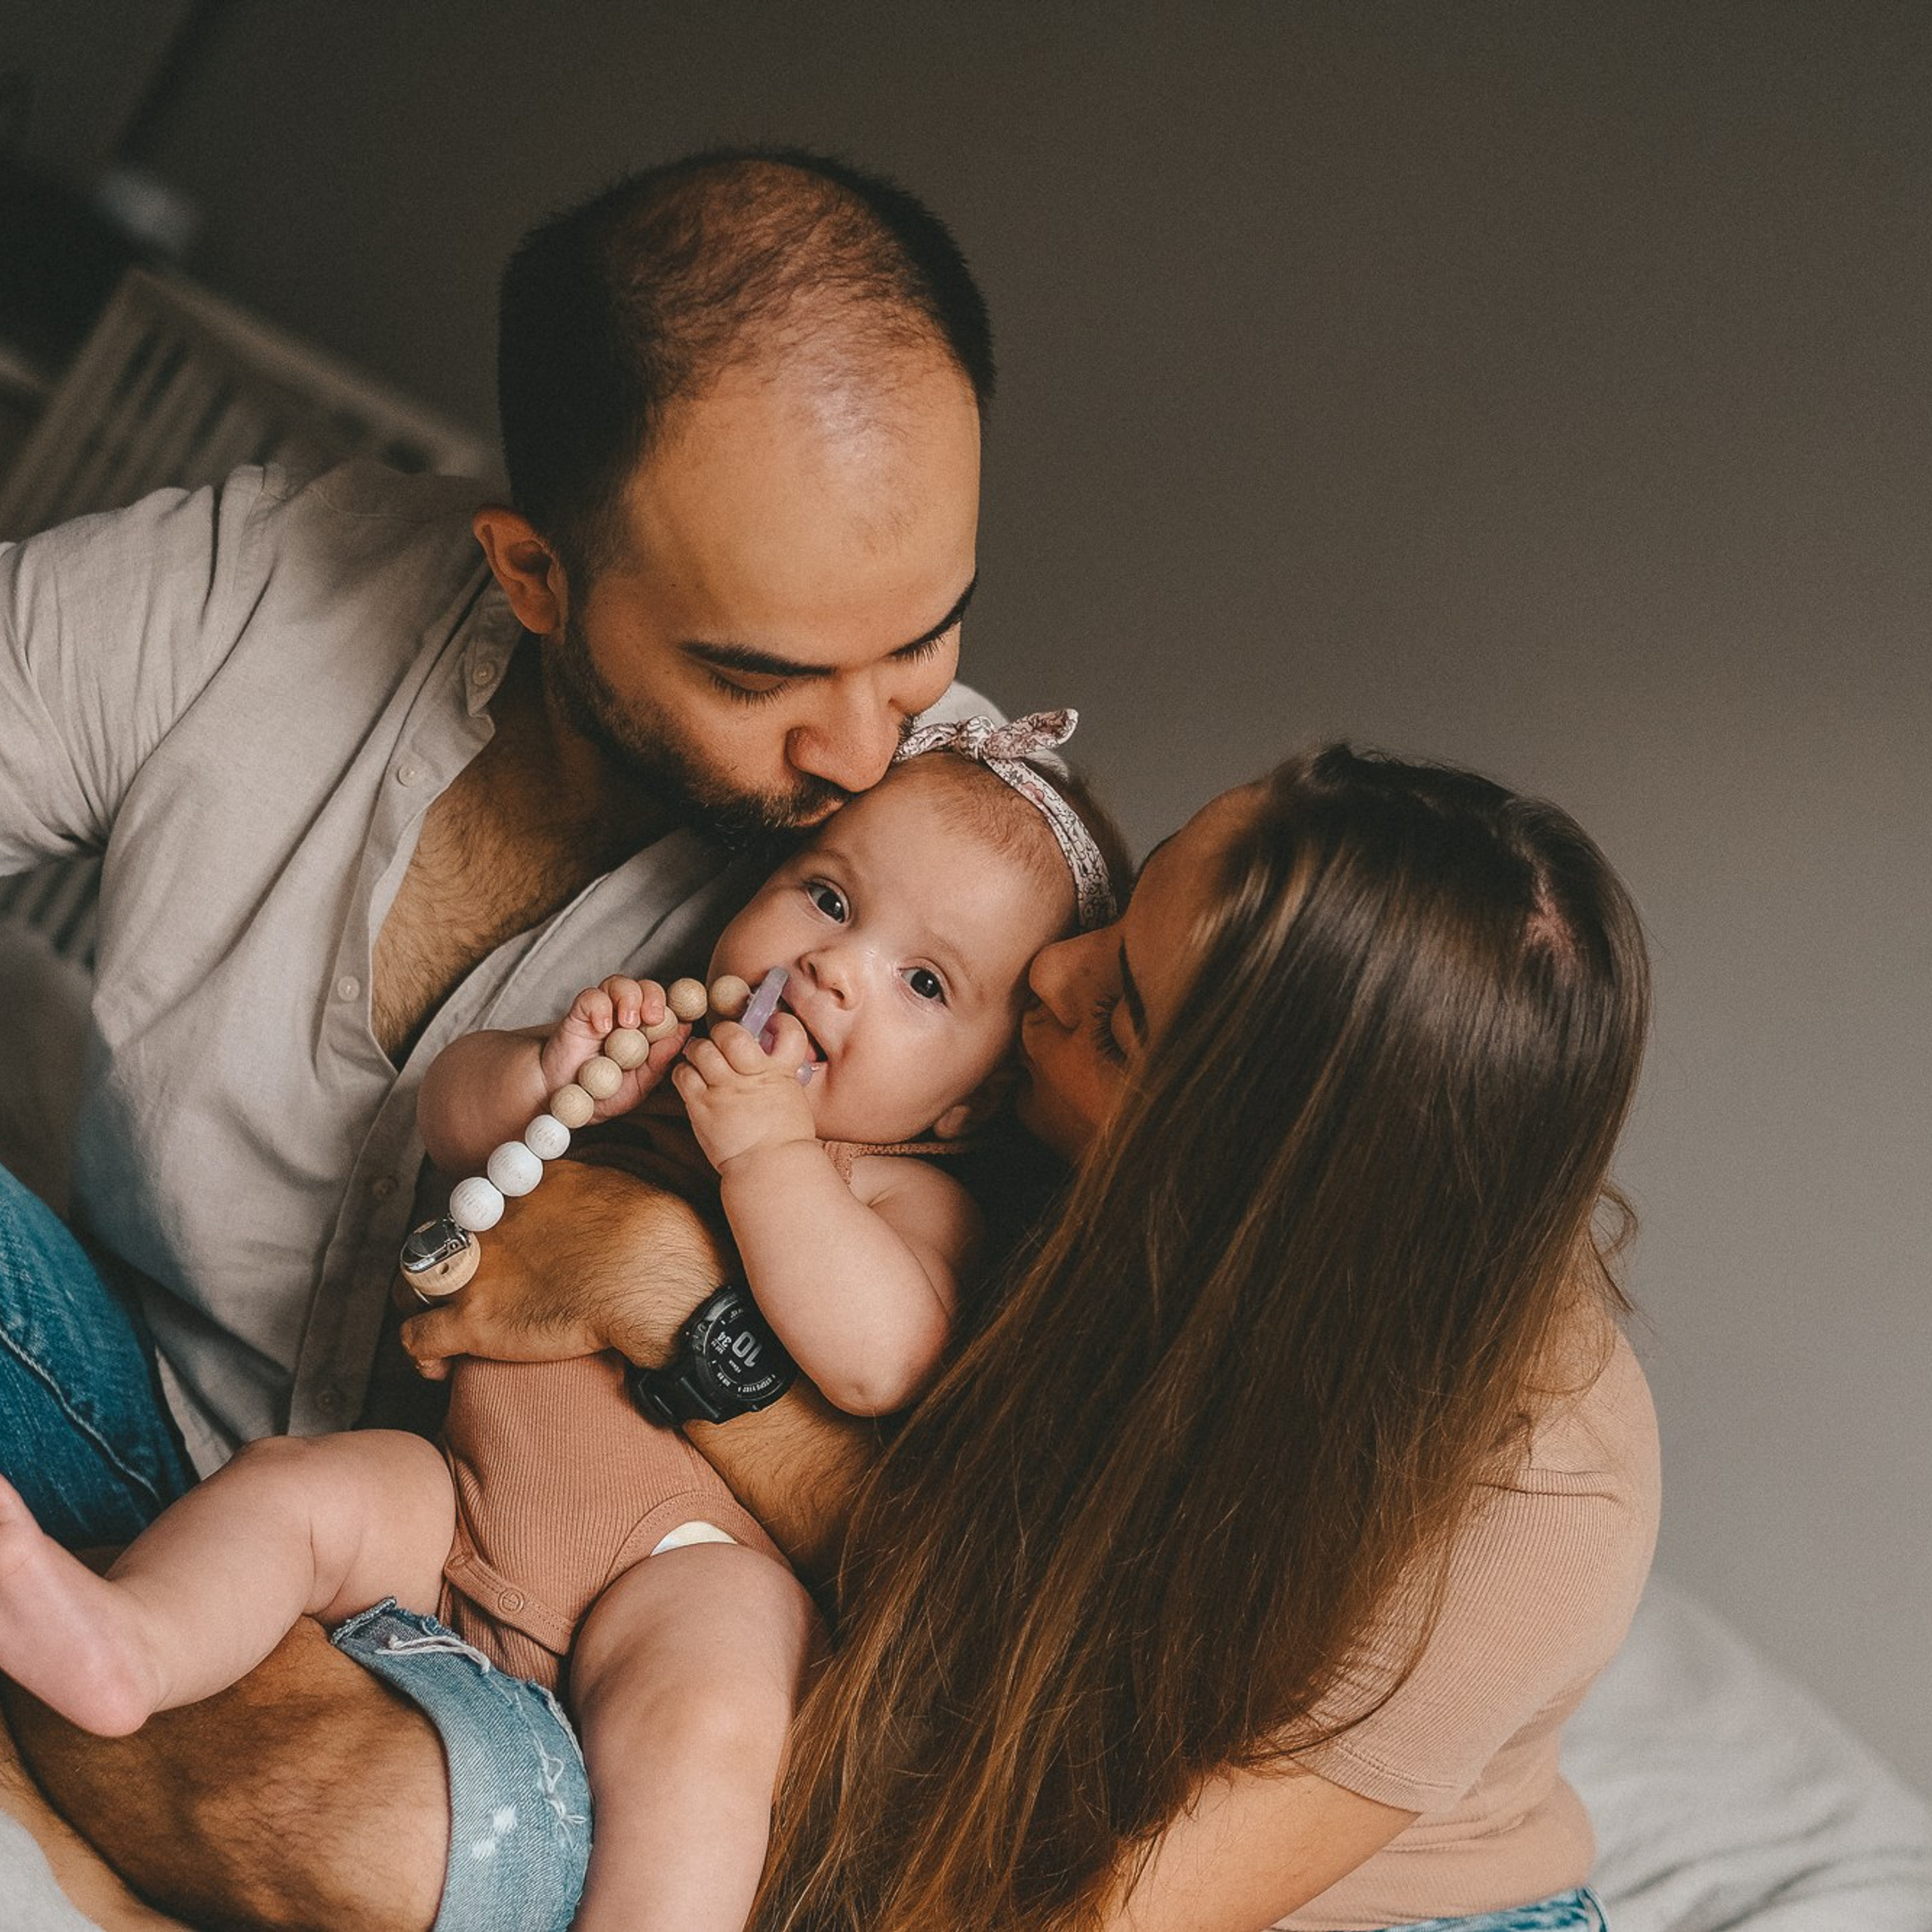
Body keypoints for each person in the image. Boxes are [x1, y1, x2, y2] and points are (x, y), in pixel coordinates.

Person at [0, 145, 997, 1930]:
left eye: (921, 641)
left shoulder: (964, 891)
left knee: (445, 1845)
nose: (863, 752)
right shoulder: (254, 589)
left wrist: (663, 1297)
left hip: (514, 1660)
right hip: (124, 1414)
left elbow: (998, 1545)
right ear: (534, 574)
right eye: (759, 676)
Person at [0, 718, 1121, 1932]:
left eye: (924, 983)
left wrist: (772, 1158)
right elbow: (452, 1115)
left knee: (713, 1725)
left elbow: (878, 1355)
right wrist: (548, 1066)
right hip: (461, 1498)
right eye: (829, 899)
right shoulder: (656, 1063)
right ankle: (132, 1647)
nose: (835, 966)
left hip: (682, 1567)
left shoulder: (904, 1191)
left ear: (969, 1107)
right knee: (293, 1493)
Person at [749, 743, 1660, 1932]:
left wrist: (677, 1324)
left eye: (1116, 1024)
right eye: (1131, 908)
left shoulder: (1540, 1498)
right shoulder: (1055, 1098)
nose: (1047, 973)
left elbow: (1050, 1908)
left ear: (1248, 1201)